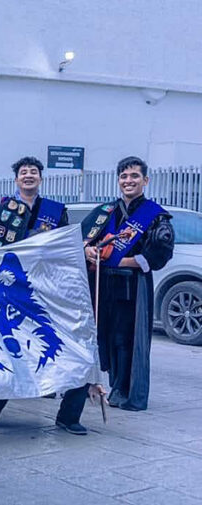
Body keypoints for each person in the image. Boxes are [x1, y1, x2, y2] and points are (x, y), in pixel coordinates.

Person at [0, 156, 100, 435]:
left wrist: (86, 251)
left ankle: (69, 416)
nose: (28, 176)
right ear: (16, 179)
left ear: (40, 178)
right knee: (6, 353)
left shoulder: (56, 211)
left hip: (49, 294)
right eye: (23, 172)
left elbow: (66, 250)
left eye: (33, 172)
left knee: (74, 348)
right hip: (10, 295)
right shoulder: (1, 211)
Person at [82, 156, 174, 411]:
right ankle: (100, 384)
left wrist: (117, 262)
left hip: (131, 286)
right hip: (101, 284)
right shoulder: (105, 212)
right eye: (124, 176)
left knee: (125, 339)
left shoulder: (155, 216)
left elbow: (158, 255)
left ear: (145, 180)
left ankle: (125, 389)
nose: (128, 181)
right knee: (105, 336)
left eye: (134, 176)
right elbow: (83, 240)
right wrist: (89, 252)